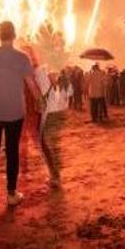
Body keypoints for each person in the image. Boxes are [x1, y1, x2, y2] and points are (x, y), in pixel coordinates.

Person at [0, 21, 39, 206]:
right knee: (12, 151)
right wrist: (41, 101)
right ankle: (12, 194)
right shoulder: (22, 57)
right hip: (15, 112)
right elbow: (31, 84)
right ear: (14, 35)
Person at [39, 57, 72, 188]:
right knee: (48, 147)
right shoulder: (52, 89)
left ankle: (55, 176)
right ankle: (54, 175)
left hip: (50, 120)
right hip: (50, 120)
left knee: (50, 147)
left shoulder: (51, 91)